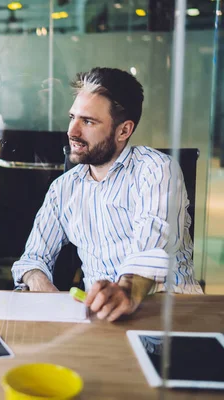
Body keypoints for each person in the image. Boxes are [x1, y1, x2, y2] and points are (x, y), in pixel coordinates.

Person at [12, 67, 203, 321]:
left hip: (167, 323)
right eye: (72, 117)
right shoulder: (64, 188)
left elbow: (147, 256)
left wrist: (125, 291)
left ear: (124, 131)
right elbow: (31, 259)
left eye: (88, 121)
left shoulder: (157, 171)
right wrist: (37, 279)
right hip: (101, 323)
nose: (72, 131)